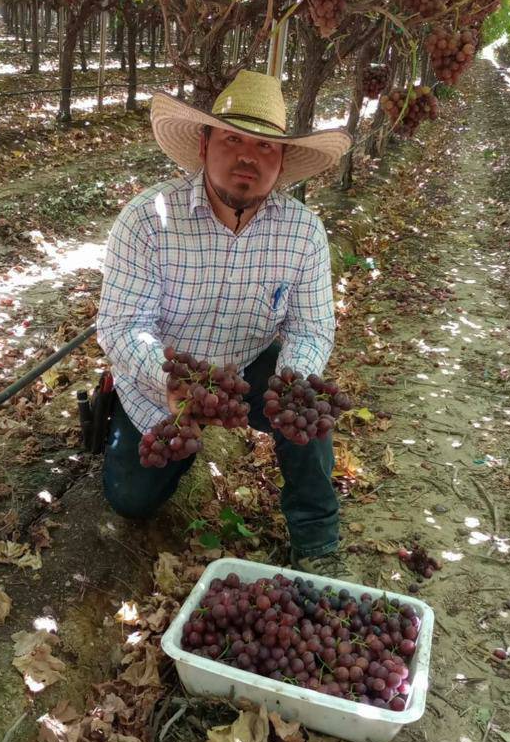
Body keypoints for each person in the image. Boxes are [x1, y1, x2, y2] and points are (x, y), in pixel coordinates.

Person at [97, 69, 358, 579]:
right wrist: (171, 382)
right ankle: (153, 438)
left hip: (246, 364)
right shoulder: (147, 219)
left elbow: (310, 329)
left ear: (282, 162)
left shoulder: (303, 232)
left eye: (265, 147)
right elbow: (122, 325)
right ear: (204, 142)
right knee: (130, 499)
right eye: (233, 139)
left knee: (306, 412)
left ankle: (318, 541)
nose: (248, 157)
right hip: (163, 377)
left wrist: (292, 382)